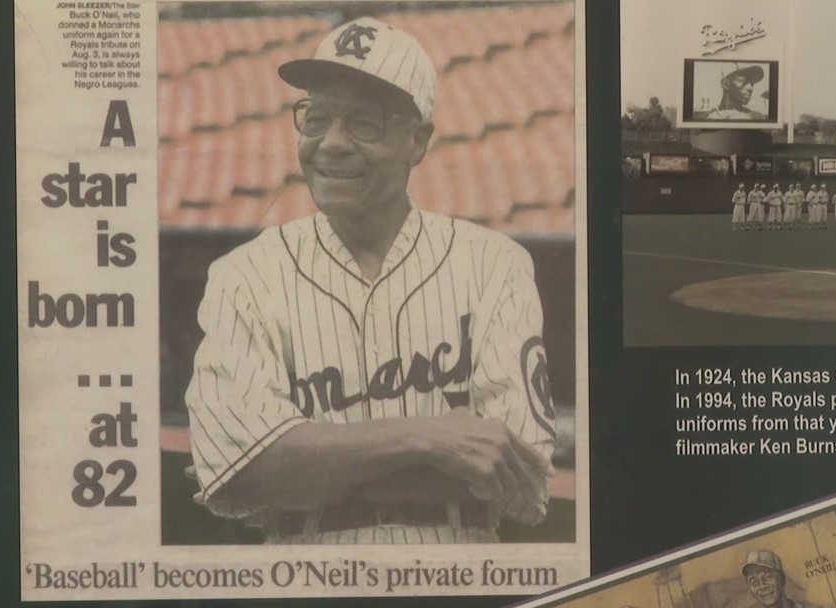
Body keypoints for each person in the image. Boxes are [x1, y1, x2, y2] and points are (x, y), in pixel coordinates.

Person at [184, 17, 557, 545]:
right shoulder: (242, 275)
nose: (331, 143)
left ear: (418, 142)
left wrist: (309, 459)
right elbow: (248, 468)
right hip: (304, 589)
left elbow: (515, 467)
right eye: (315, 118)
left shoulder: (495, 264)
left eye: (365, 122)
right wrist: (430, 436)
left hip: (456, 579)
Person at [740, 550, 832, 608]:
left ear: (782, 579)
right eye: (754, 582)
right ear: (751, 590)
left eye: (768, 577)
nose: (762, 586)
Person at [700, 64, 766, 120]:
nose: (751, 88)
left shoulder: (758, 119)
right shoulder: (706, 119)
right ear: (725, 84)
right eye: (742, 81)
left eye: (752, 84)